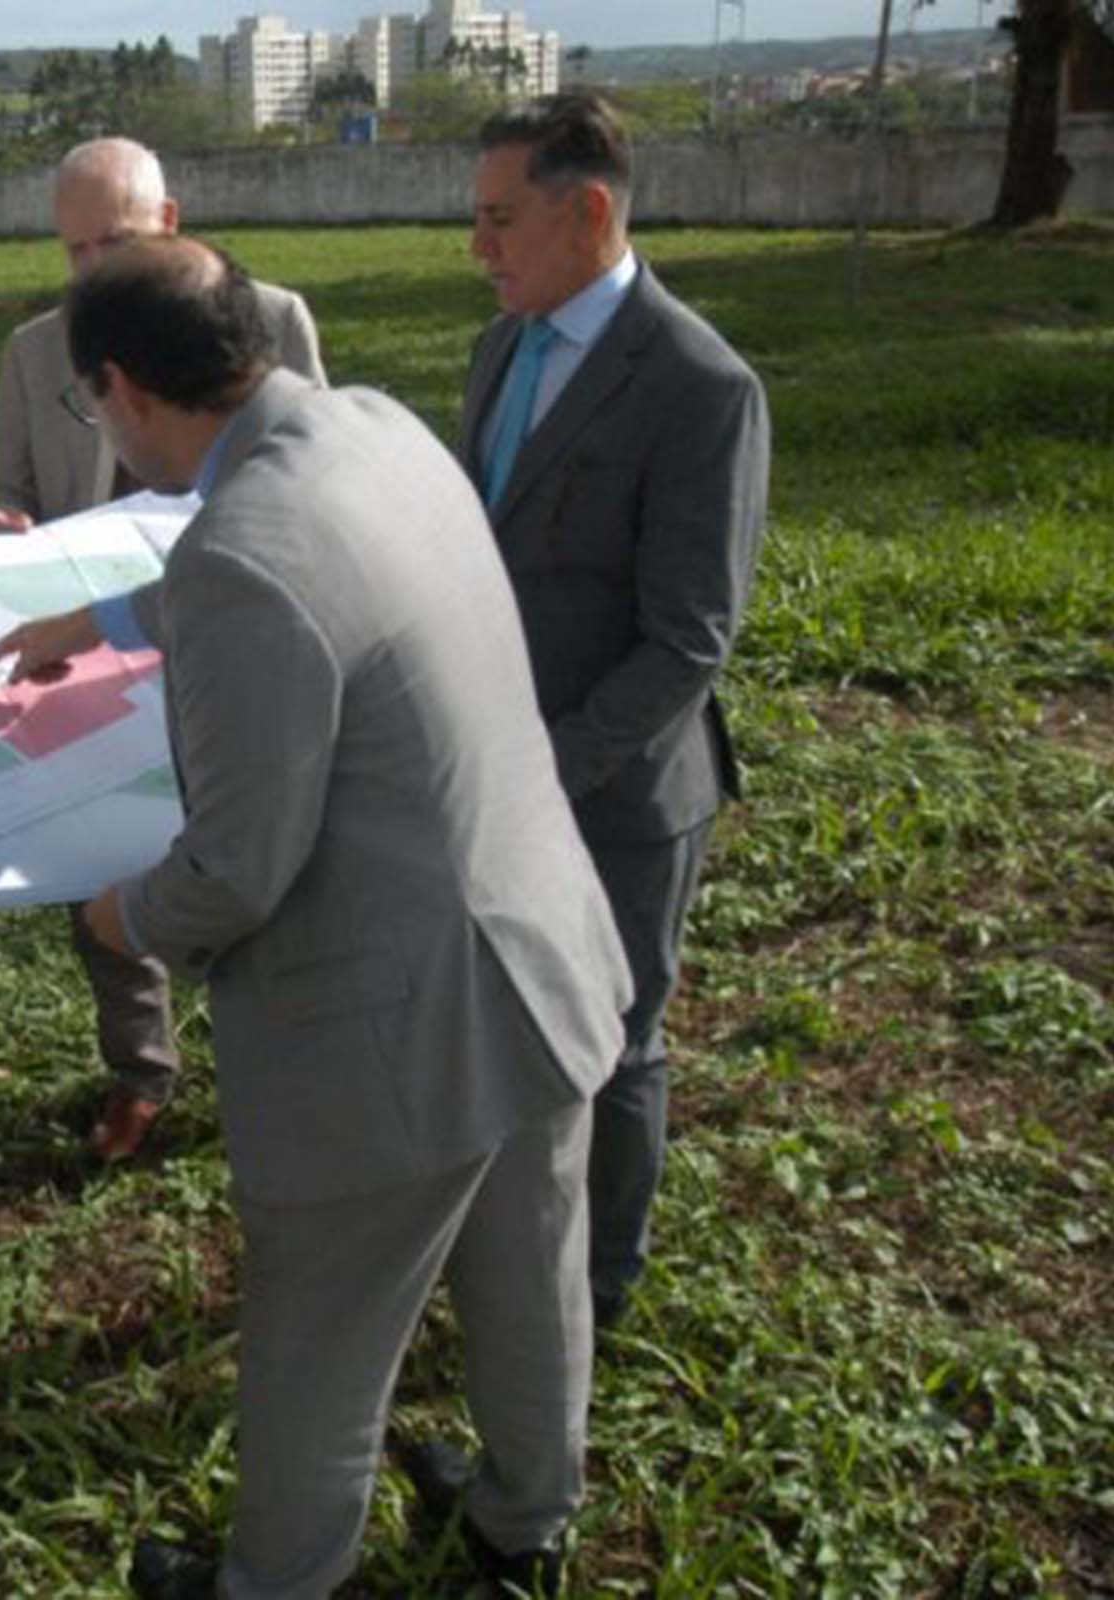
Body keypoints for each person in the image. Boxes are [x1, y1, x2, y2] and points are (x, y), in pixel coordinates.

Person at [0, 237, 631, 1599]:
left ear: (121, 387)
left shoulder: (240, 555)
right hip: (534, 947)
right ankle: (525, 1517)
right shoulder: (371, 424)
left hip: (388, 1032)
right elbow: (299, 572)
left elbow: (232, 873)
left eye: (94, 409)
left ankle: (275, 1583)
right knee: (529, 1268)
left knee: (322, 1343)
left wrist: (117, 916)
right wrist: (103, 614)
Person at [463, 93, 770, 1330]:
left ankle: (601, 1287)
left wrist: (554, 763)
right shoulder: (502, 343)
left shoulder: (700, 384)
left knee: (616, 1036)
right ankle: (514, 1254)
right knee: (513, 1019)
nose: (478, 247)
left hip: (623, 791)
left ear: (587, 210)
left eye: (498, 219)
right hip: (504, 768)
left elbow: (690, 635)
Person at [0, 135, 326, 1163]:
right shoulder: (35, 349)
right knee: (108, 846)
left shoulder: (271, 323)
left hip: (239, 636)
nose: (95, 274)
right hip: (97, 644)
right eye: (75, 251)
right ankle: (143, 1069)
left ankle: (282, 1057)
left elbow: (302, 484)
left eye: (116, 245)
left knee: (253, 843)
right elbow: (13, 484)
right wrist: (9, 523)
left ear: (170, 226)